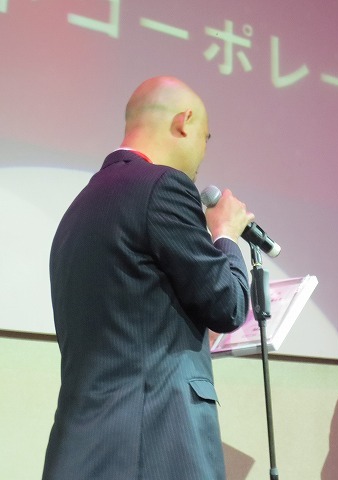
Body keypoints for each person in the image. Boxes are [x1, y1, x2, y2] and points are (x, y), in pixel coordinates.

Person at [42, 76, 254, 480]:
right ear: (184, 122)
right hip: (154, 445)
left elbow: (129, 322)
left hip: (85, 448)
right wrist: (225, 233)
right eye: (206, 138)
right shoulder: (164, 186)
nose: (203, 153)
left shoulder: (79, 208)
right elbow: (229, 306)